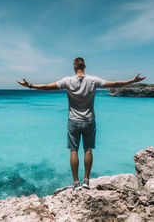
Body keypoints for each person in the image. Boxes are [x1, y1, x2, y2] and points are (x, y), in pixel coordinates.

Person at [17, 57, 145, 190]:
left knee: (74, 150)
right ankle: (86, 180)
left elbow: (47, 87)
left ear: (74, 67)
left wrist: (30, 85)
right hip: (89, 120)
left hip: (73, 121)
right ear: (84, 66)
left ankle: (75, 182)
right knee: (88, 150)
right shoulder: (93, 80)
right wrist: (132, 81)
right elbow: (115, 84)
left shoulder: (67, 81)